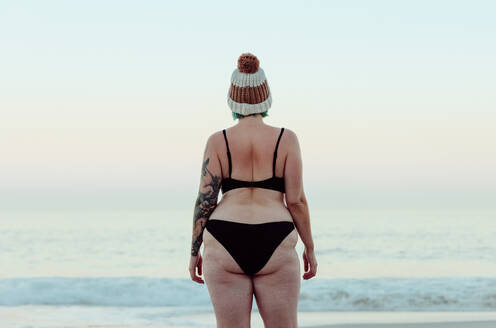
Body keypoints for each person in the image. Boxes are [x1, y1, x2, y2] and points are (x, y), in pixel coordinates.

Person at [189, 52, 317, 328]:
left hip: (224, 237)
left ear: (231, 99)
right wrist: (310, 246)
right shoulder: (286, 139)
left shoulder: (218, 140)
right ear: (266, 96)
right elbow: (296, 201)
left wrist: (193, 252)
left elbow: (205, 201)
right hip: (275, 234)